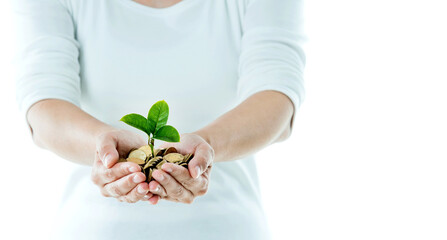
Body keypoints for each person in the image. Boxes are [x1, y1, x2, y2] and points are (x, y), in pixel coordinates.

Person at [14, 0, 305, 239]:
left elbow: (277, 92)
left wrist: (207, 147)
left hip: (229, 228)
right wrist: (101, 147)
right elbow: (43, 102)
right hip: (92, 229)